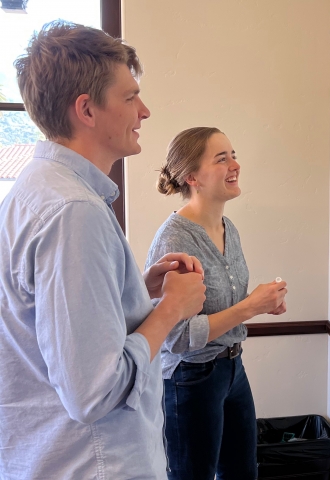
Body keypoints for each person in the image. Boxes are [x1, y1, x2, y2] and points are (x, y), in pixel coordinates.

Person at [0, 22, 207, 479]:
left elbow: (47, 329)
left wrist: (133, 289)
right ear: (86, 110)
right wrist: (170, 310)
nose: (145, 111)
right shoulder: (73, 212)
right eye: (130, 97)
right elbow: (93, 391)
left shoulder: (34, 193)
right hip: (95, 465)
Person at [146, 126, 288, 479]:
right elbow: (176, 337)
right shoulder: (175, 239)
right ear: (192, 176)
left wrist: (263, 301)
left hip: (232, 370)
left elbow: (227, 307)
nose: (234, 165)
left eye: (234, 155)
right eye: (221, 158)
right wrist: (249, 307)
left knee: (243, 474)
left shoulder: (229, 228)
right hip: (190, 380)